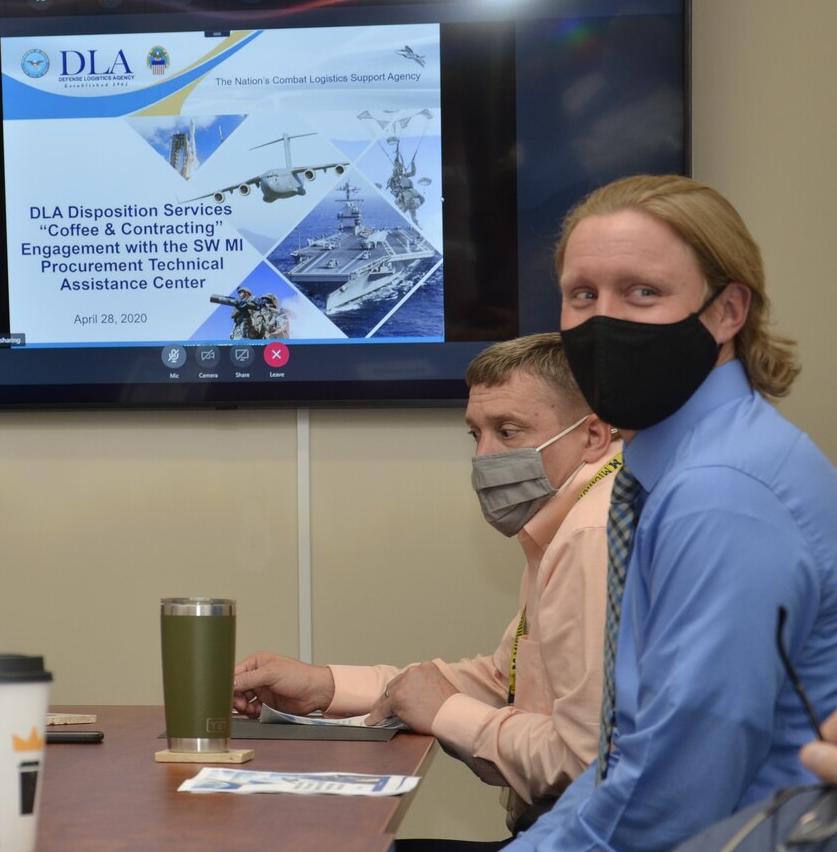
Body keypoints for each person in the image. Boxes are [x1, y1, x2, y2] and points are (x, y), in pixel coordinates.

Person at [506, 174, 837, 851]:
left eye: (642, 292)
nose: (603, 321)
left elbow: (672, 797)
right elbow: (622, 766)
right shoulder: (671, 471)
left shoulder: (720, 493)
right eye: (581, 295)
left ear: (726, 312)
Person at [235, 333, 620, 841]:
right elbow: (506, 681)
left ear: (592, 435)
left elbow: (584, 760)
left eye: (508, 431)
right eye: (475, 435)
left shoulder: (591, 535)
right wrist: (326, 687)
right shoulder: (572, 517)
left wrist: (445, 714)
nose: (484, 457)